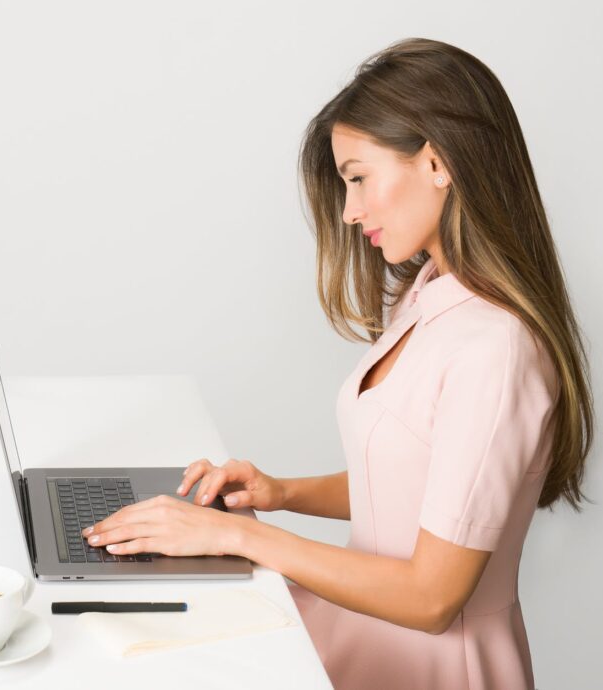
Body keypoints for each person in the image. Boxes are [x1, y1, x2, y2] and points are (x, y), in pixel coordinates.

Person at [80, 37, 594, 689]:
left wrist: (242, 539)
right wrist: (278, 492)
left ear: (435, 162)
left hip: (435, 666)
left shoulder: (495, 349)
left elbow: (432, 600)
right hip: (360, 634)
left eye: (357, 177)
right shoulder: (429, 295)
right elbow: (416, 485)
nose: (349, 212)